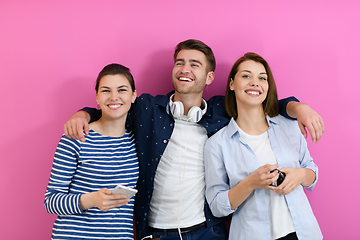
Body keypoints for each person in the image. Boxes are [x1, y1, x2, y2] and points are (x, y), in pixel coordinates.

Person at [63, 40, 324, 240]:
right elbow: (115, 106)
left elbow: (259, 99)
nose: (184, 69)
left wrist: (299, 108)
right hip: (156, 231)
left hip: (206, 231)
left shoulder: (220, 113)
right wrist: (84, 113)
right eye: (180, 62)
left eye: (194, 64)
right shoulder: (147, 109)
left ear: (210, 77)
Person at [204, 52, 323, 240]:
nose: (255, 82)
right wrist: (251, 183)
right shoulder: (217, 144)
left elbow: (312, 173)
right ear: (232, 84)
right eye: (246, 76)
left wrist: (299, 175)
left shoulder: (289, 126)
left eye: (262, 78)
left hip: (302, 233)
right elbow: (217, 206)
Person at [44, 64, 139, 240]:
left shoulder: (137, 141)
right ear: (96, 96)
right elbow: (51, 201)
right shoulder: (76, 137)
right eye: (106, 90)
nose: (114, 97)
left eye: (122, 90)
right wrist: (91, 200)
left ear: (133, 96)